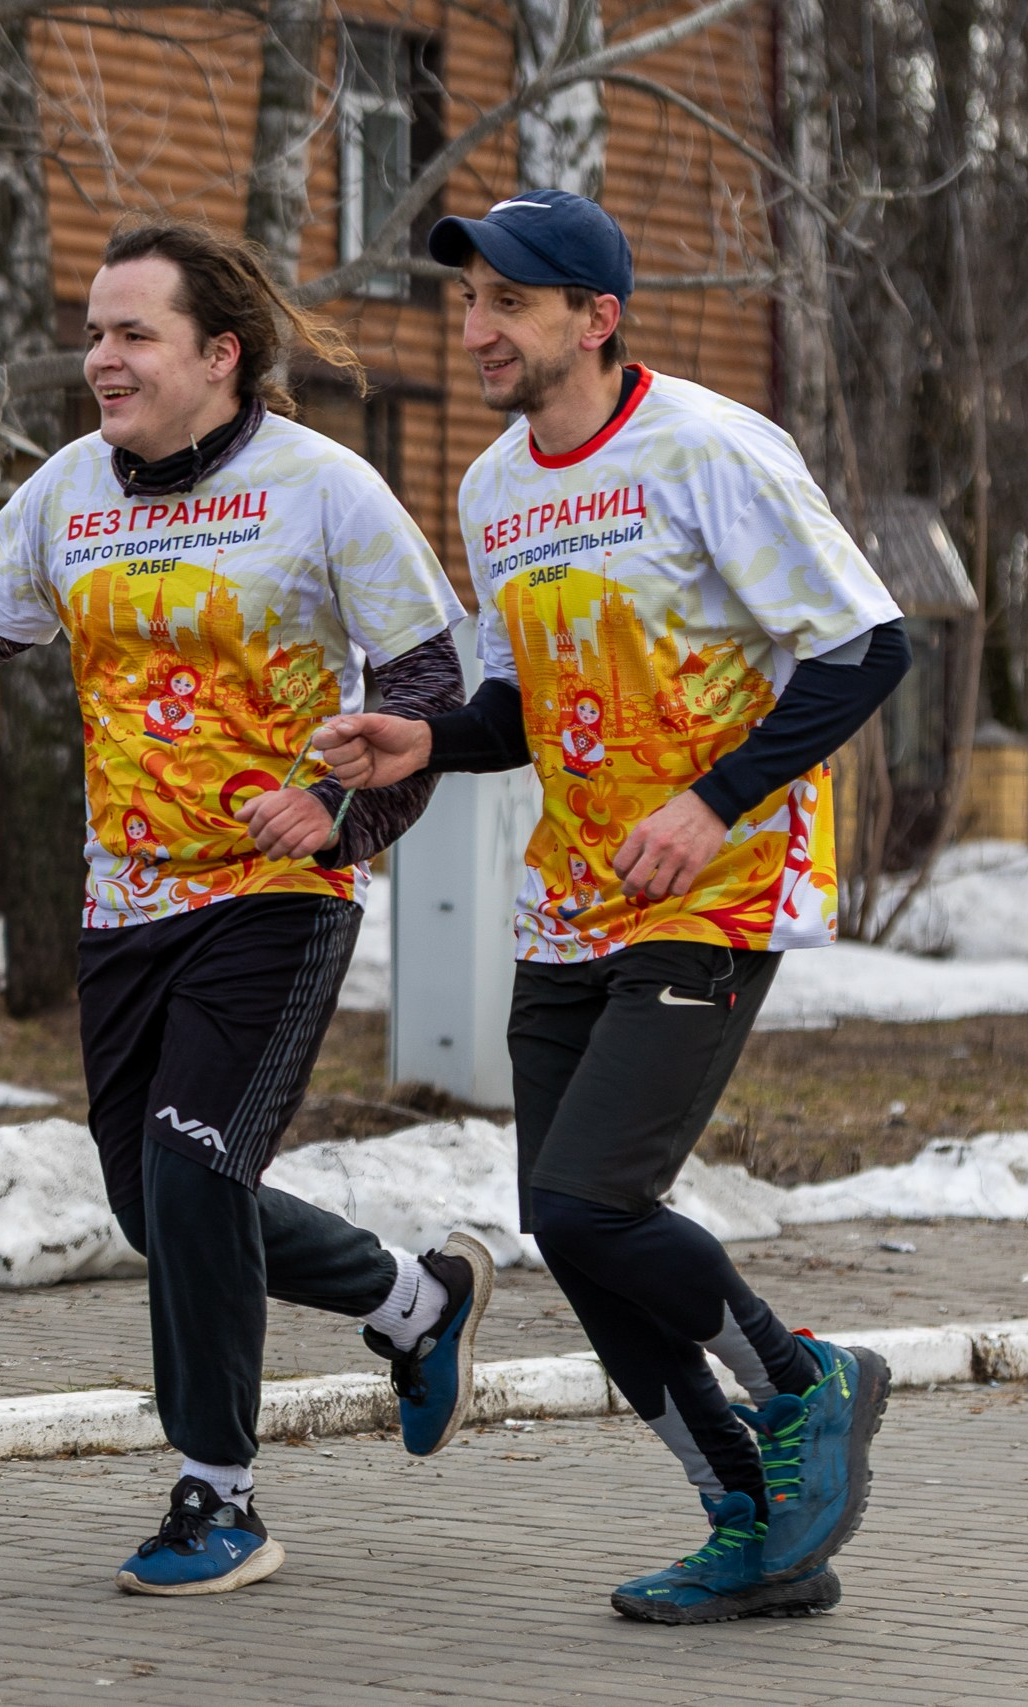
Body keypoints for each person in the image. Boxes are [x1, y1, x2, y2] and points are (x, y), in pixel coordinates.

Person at [0, 217, 494, 1596]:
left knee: (193, 1158)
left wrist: (336, 812)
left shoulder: (326, 488)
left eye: (131, 332)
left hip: (278, 894)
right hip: (125, 906)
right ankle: (416, 1296)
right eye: (94, 330)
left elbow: (428, 701)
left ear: (220, 353)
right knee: (165, 1206)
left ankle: (218, 1494)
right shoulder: (68, 494)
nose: (99, 358)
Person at [316, 189, 910, 1625]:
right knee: (568, 1226)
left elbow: (863, 644)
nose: (479, 331)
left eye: (510, 303)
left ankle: (803, 1376)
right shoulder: (493, 487)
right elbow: (522, 704)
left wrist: (710, 799)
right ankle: (747, 1522)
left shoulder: (711, 447)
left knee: (594, 1196)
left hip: (714, 882)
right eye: (470, 303)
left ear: (597, 316)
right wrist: (432, 740)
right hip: (572, 894)